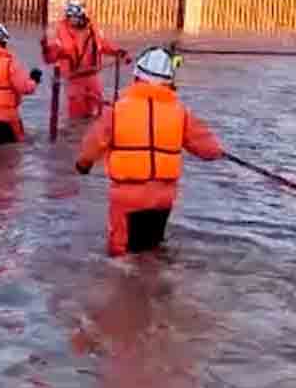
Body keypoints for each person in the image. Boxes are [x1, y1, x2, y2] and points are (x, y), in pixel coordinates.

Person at [75, 47, 225, 257]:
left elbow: (93, 144)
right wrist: (219, 151)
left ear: (137, 76)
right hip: (163, 199)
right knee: (152, 252)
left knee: (121, 256)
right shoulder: (181, 113)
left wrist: (83, 165)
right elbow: (208, 148)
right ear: (169, 81)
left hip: (128, 198)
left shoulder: (117, 111)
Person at [41, 0, 127, 121]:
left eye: (75, 17)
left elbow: (103, 45)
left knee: (98, 113)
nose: (72, 20)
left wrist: (119, 52)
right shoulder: (59, 31)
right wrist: (46, 49)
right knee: (76, 117)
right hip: (74, 79)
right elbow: (50, 57)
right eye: (69, 16)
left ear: (83, 16)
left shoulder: (92, 29)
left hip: (92, 76)